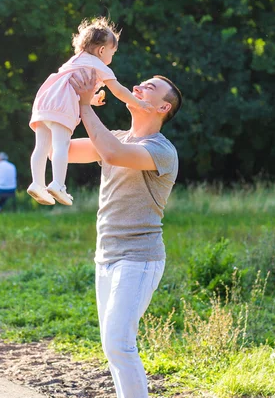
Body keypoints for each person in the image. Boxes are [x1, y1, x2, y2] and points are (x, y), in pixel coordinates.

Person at [68, 68, 181, 398]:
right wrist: (59, 102)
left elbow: (113, 154)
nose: (136, 88)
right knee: (113, 347)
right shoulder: (115, 136)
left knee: (118, 343)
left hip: (139, 258)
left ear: (163, 108)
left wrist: (86, 107)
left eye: (149, 88)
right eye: (139, 84)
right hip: (105, 258)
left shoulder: (161, 150)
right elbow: (61, 150)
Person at [28, 17, 152, 206]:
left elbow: (70, 87)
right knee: (61, 144)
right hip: (62, 106)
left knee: (41, 146)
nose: (112, 58)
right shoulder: (99, 65)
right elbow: (119, 90)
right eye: (113, 52)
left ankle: (37, 183)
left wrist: (91, 100)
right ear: (102, 50)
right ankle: (57, 184)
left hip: (45, 100)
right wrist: (138, 103)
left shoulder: (75, 60)